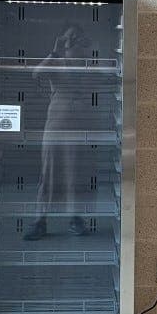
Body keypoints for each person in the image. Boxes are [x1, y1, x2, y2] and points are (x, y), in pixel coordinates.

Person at [24, 24, 95, 241]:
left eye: (78, 39)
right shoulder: (57, 61)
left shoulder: (85, 63)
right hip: (56, 124)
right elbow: (36, 74)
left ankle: (75, 219)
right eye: (71, 39)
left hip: (78, 125)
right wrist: (54, 52)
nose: (75, 42)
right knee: (49, 172)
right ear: (64, 42)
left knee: (74, 174)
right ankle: (40, 221)